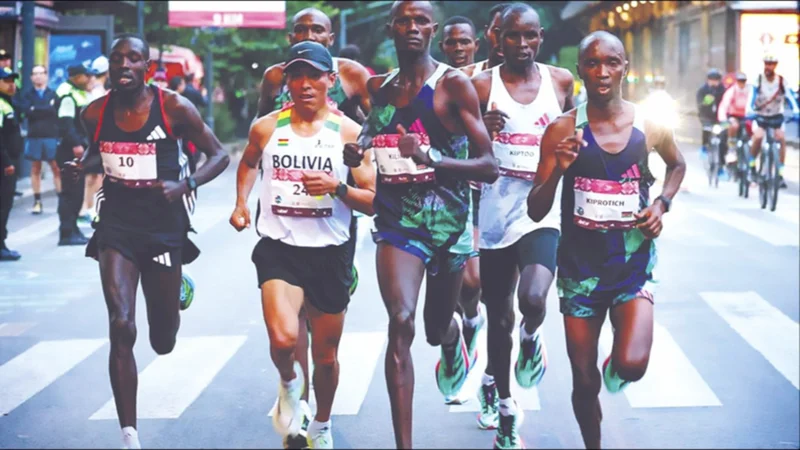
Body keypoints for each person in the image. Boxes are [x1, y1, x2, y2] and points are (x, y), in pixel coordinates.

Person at [64, 33, 230, 449]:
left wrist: (185, 184)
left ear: (147, 69)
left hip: (163, 229)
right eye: (117, 59)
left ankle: (176, 287)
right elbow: (96, 155)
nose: (124, 65)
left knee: (163, 340)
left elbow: (219, 155)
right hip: (116, 227)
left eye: (133, 59)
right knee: (121, 325)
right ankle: (129, 435)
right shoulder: (95, 112)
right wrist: (78, 166)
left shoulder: (173, 106)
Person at [346, 1, 498, 447]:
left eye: (420, 22)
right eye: (403, 21)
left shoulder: (453, 86)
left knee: (433, 329)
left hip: (448, 226)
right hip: (397, 223)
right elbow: (374, 133)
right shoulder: (382, 88)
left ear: (431, 29)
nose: (411, 28)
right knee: (401, 319)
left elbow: (489, 165)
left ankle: (453, 339)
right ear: (391, 28)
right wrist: (357, 149)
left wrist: (430, 156)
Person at [527, 31, 686, 450]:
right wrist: (559, 167)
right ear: (580, 69)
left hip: (632, 267)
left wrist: (661, 205)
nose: (602, 72)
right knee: (583, 380)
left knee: (632, 365)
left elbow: (676, 165)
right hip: (579, 271)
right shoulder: (562, 129)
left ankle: (617, 366)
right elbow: (535, 209)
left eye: (612, 62)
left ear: (625, 67)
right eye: (593, 63)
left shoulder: (649, 124)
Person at [231, 41, 376, 450]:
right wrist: (241, 203)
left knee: (326, 357)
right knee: (282, 340)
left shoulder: (348, 133)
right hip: (280, 248)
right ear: (286, 82)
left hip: (330, 253)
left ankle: (323, 425)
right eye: (296, 75)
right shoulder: (267, 127)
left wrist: (338, 188)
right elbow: (248, 161)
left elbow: (375, 197)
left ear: (331, 80)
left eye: (314, 75)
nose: (305, 84)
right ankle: (290, 385)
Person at [470, 4, 575, 446]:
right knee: (498, 318)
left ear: (541, 36)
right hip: (495, 212)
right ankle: (506, 405)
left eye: (530, 36)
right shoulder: (480, 86)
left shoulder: (560, 82)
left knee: (533, 298)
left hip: (542, 209)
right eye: (512, 36)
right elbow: (458, 142)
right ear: (497, 39)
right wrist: (479, 125)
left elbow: (574, 133)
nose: (522, 45)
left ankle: (533, 335)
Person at [436, 13, 486, 407]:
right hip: (439, 197)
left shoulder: (485, 83)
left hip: (483, 193)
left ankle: (472, 321)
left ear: (476, 45)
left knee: (472, 282)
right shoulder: (431, 81)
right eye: (451, 42)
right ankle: (455, 330)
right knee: (449, 281)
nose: (457, 48)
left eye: (464, 42)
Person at [257, 7, 372, 123]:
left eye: (318, 30)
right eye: (300, 30)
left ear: (331, 39)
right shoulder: (275, 75)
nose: (309, 37)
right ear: (291, 38)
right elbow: (260, 120)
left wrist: (357, 136)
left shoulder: (352, 73)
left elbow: (378, 124)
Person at [746, 54, 800, 188]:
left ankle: (780, 174)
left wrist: (796, 110)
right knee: (758, 137)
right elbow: (751, 96)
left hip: (776, 116)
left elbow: (790, 97)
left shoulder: (781, 81)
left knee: (781, 139)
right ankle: (752, 166)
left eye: (771, 64)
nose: (768, 66)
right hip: (760, 116)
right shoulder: (758, 79)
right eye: (766, 64)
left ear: (775, 66)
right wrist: (749, 110)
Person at [55, 64, 92, 246]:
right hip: (69, 150)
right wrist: (76, 144)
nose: (88, 79)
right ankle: (66, 232)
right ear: (76, 77)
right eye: (85, 76)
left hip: (77, 150)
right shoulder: (68, 95)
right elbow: (66, 124)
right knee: (70, 192)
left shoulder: (78, 92)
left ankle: (73, 229)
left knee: (77, 193)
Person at [20, 65, 60, 214]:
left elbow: (54, 112)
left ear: (46, 76)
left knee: (56, 167)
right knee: (35, 168)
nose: (38, 76)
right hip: (34, 136)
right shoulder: (27, 95)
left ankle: (61, 199)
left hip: (51, 135)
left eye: (41, 73)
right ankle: (37, 201)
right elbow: (27, 111)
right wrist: (44, 109)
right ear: (31, 77)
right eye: (35, 73)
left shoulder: (53, 94)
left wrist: (36, 109)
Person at [81, 55, 111, 222]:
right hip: (99, 138)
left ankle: (86, 207)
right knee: (98, 175)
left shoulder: (92, 91)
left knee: (91, 175)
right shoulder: (100, 92)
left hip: (91, 138)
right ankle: (91, 208)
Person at [0, 68, 22, 261]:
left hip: (8, 162)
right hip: (3, 164)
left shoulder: (8, 103)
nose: (11, 85)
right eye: (6, 81)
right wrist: (6, 162)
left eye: (12, 81)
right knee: (2, 204)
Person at [462, 3, 510, 78]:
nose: (501, 38)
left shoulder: (534, 81)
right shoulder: (464, 77)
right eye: (496, 31)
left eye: (510, 33)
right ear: (486, 32)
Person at [696, 68, 727, 174]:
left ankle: (721, 165)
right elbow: (699, 105)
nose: (714, 82)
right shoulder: (702, 90)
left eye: (716, 79)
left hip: (720, 118)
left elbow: (727, 104)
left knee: (723, 138)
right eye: (711, 79)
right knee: (706, 130)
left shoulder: (723, 90)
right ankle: (704, 147)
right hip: (706, 117)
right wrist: (705, 102)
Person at [718, 73, 751, 158]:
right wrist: (723, 119)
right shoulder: (732, 91)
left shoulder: (750, 91)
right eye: (739, 81)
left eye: (743, 81)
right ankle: (731, 147)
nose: (741, 83)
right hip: (734, 115)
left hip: (747, 116)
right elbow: (724, 105)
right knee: (734, 126)